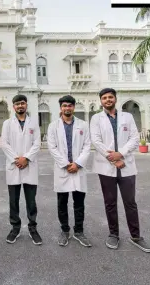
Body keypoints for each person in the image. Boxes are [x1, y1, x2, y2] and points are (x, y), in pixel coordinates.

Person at [90, 88, 150, 253]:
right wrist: (113, 158)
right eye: (104, 98)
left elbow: (134, 138)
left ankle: (136, 236)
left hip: (126, 166)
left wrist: (121, 154)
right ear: (101, 101)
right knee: (110, 203)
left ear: (115, 99)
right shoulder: (96, 118)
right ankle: (113, 234)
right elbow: (96, 141)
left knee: (130, 203)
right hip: (106, 167)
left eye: (110, 97)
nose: (108, 100)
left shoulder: (128, 117)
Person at [47, 95, 92, 248]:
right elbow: (52, 148)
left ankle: (79, 231)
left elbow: (87, 146)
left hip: (78, 169)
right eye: (64, 106)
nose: (67, 108)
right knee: (62, 203)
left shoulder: (83, 125)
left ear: (74, 107)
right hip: (63, 170)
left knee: (79, 203)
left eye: (70, 106)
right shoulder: (53, 126)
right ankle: (64, 231)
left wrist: (78, 163)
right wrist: (66, 164)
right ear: (61, 108)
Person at [1, 94, 42, 245]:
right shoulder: (7, 123)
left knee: (31, 201)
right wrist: (17, 159)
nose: (20, 106)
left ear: (26, 105)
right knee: (14, 201)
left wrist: (26, 158)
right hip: (14, 166)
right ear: (13, 107)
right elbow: (4, 144)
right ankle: (15, 228)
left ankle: (33, 228)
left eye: (22, 103)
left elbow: (37, 143)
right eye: (17, 104)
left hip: (29, 166)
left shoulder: (33, 123)